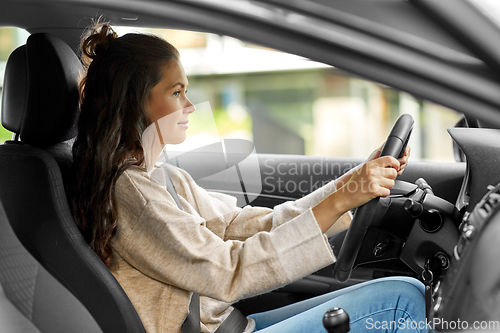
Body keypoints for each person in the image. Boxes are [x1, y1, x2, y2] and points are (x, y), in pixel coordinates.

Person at [72, 22, 427, 333]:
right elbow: (229, 269)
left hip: (231, 324)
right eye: (177, 92)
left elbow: (238, 226)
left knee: (402, 290)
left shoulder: (162, 178)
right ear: (135, 102)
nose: (190, 106)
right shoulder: (133, 194)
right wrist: (340, 199)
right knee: (402, 302)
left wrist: (349, 187)